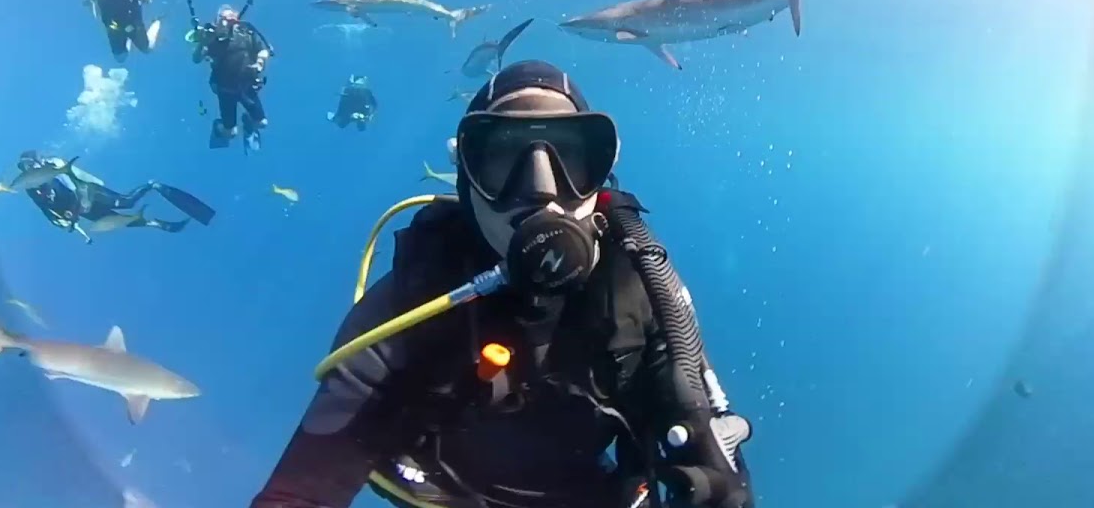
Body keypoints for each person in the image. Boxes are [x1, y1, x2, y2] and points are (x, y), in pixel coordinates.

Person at [251, 60, 754, 508]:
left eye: (571, 158)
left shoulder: (640, 287)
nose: (541, 189)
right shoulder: (414, 303)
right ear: (467, 182)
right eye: (502, 158)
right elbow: (300, 492)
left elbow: (701, 434)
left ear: (601, 177)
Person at [15, 151, 215, 243]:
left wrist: (78, 207)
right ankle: (159, 224)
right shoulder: (32, 189)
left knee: (127, 203)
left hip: (89, 195)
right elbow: (47, 213)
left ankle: (153, 186)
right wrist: (69, 224)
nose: (28, 171)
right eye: (24, 168)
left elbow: (75, 183)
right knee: (121, 221)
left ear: (37, 162)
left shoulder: (53, 166)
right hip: (81, 211)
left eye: (29, 165)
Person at [184, 0, 273, 151]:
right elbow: (196, 59)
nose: (229, 20)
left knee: (262, 123)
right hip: (226, 91)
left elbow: (263, 50)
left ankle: (248, 123)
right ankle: (218, 128)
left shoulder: (247, 32)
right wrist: (202, 43)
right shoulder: (212, 39)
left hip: (248, 86)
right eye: (224, 18)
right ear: (218, 21)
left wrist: (260, 63)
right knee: (230, 133)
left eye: (231, 16)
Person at [82, 0, 161, 62]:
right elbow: (85, 2)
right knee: (120, 57)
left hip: (133, 26)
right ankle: (128, 40)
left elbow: (147, 0)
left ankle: (157, 22)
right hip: (114, 29)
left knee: (146, 49)